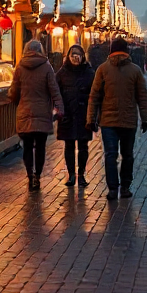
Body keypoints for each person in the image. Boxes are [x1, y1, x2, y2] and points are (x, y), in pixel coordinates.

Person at [88, 37, 147, 200]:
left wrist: (91, 119)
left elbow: (94, 96)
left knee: (110, 155)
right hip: (129, 120)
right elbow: (142, 97)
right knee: (127, 155)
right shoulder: (135, 70)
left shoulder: (102, 69)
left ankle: (112, 188)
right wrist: (145, 119)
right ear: (127, 51)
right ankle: (125, 186)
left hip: (108, 121)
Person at [8, 40, 64, 191]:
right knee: (40, 147)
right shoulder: (47, 67)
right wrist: (59, 107)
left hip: (25, 111)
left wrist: (16, 101)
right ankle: (37, 176)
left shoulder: (19, 67)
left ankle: (29, 175)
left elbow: (14, 91)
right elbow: (54, 90)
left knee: (27, 147)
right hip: (42, 113)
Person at [56, 43, 96, 187]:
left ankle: (81, 174)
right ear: (69, 56)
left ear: (82, 56)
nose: (75, 58)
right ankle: (71, 175)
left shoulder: (89, 72)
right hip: (67, 114)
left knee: (83, 146)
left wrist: (93, 112)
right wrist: (59, 109)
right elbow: (56, 91)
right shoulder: (62, 73)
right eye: (73, 55)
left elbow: (95, 93)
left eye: (78, 55)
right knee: (69, 145)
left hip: (83, 114)